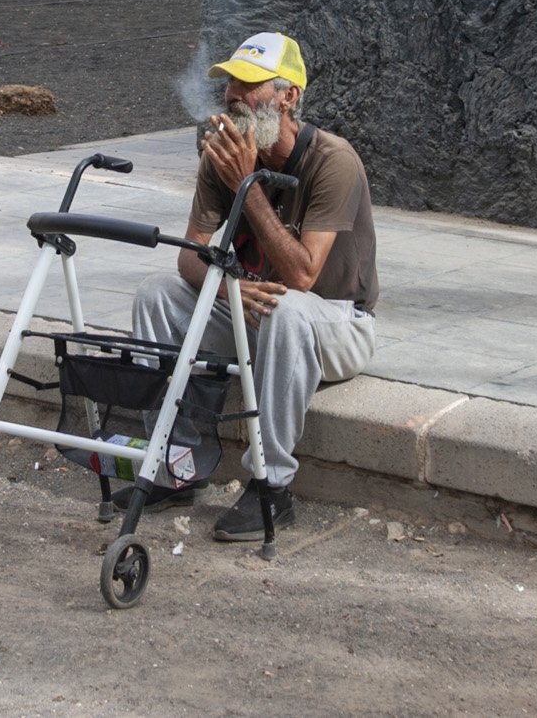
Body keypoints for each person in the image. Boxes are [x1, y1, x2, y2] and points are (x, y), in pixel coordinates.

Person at [130, 31, 379, 542]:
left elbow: (304, 275)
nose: (234, 96)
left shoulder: (334, 160)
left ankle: (272, 486)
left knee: (287, 307)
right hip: (253, 310)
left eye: (250, 84)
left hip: (335, 322)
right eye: (230, 84)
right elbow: (191, 256)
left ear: (289, 95)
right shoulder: (223, 158)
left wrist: (251, 184)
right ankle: (175, 463)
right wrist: (228, 290)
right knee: (156, 295)